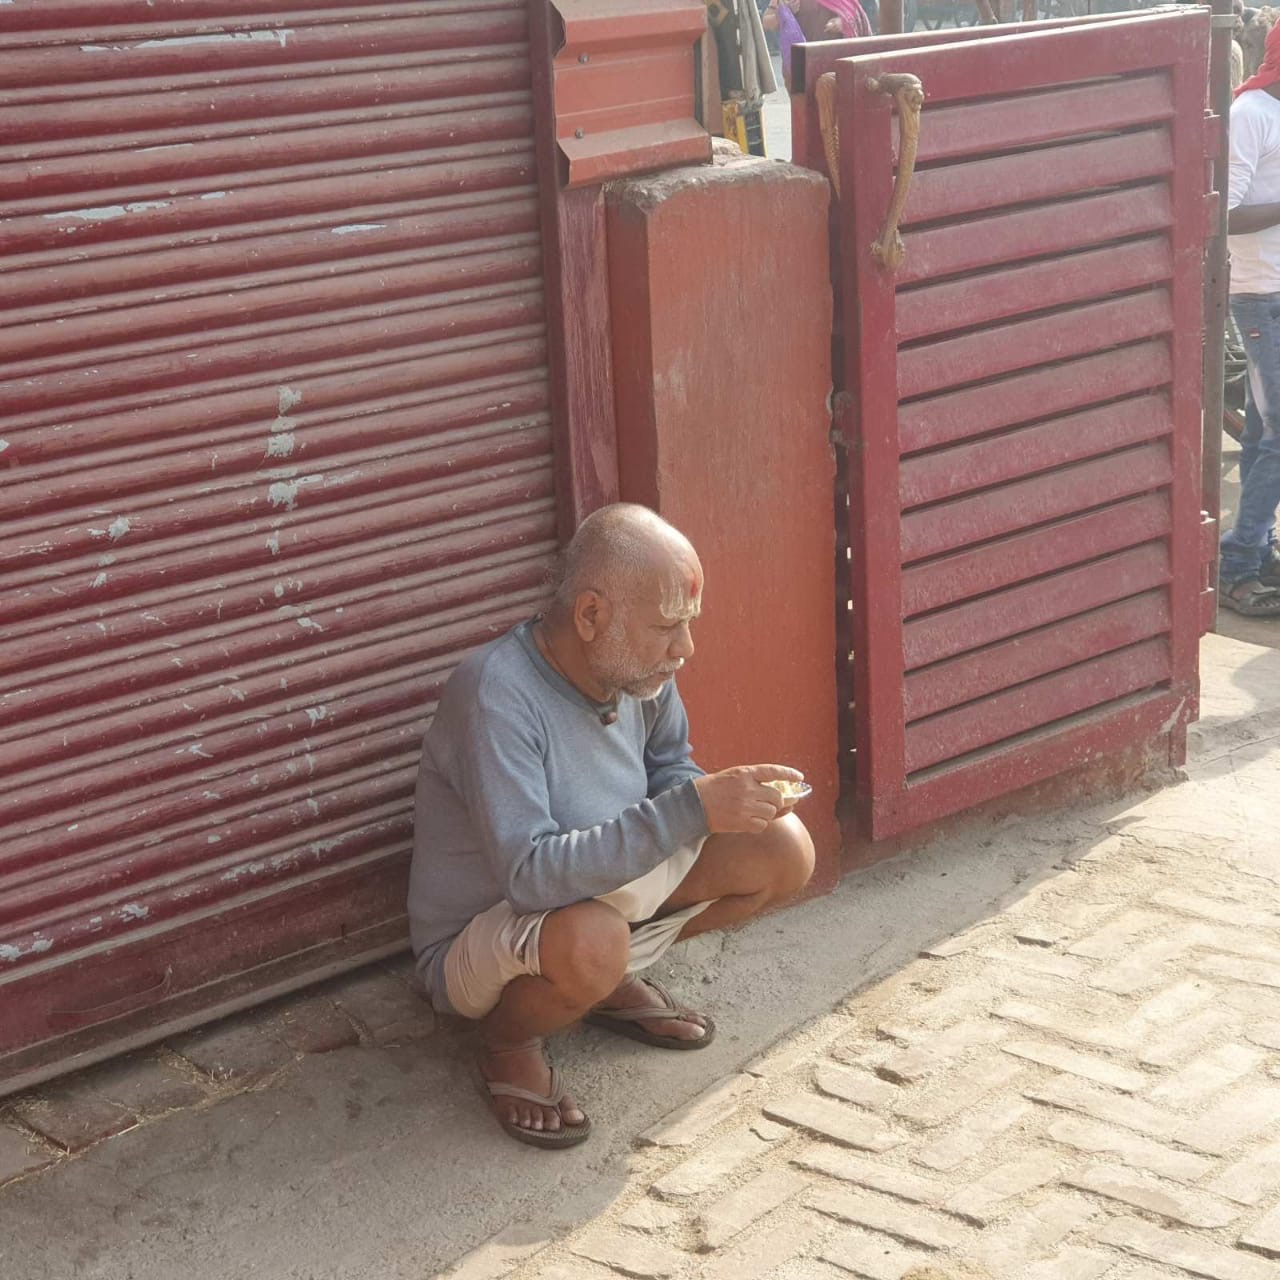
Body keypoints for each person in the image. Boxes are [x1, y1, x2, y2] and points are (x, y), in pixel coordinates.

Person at [407, 504, 816, 1148]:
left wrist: (722, 801)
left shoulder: (637, 669)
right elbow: (530, 877)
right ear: (592, 616)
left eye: (690, 624)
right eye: (667, 627)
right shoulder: (496, 693)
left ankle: (602, 983)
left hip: (597, 895)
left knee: (780, 849)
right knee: (592, 939)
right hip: (489, 932)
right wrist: (693, 809)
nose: (685, 649)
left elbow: (669, 767)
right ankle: (507, 1042)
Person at [1222, 21, 1280, 615]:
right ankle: (1239, 562)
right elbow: (1223, 213)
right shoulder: (1251, 114)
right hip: (1261, 295)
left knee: (1264, 437)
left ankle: (1255, 548)